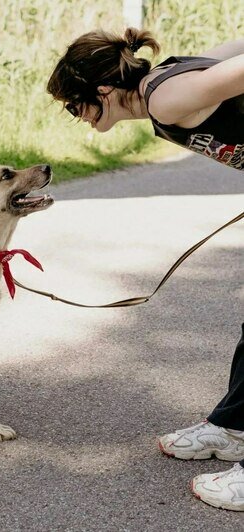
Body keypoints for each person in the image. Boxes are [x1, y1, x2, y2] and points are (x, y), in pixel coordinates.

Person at [47, 28, 244, 511]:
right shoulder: (165, 80)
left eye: (75, 107)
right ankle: (234, 426)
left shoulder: (166, 97)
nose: (78, 118)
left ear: (102, 94)